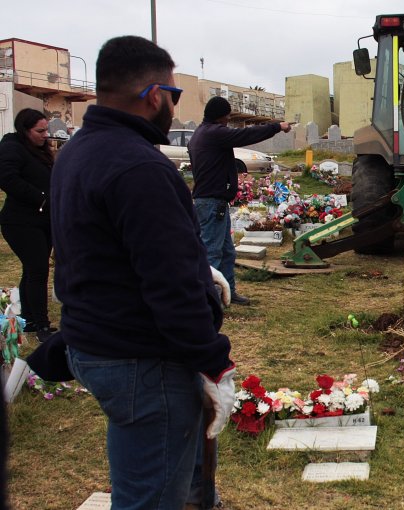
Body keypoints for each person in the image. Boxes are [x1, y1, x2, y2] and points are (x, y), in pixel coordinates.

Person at [50, 35, 235, 509]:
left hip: (98, 342)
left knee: (160, 467)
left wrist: (200, 271)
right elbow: (168, 285)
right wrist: (214, 361)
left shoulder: (78, 150)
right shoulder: (139, 167)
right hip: (142, 357)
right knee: (149, 498)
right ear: (154, 95)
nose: (172, 105)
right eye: (173, 95)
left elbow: (101, 247)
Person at [190, 97, 291, 306]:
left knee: (227, 251)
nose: (228, 119)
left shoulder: (200, 134)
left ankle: (229, 292)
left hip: (212, 202)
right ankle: (208, 301)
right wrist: (276, 127)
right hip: (211, 203)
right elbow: (246, 134)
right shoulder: (214, 133)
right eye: (226, 115)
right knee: (212, 252)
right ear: (219, 115)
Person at [0, 108, 55, 342]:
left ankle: (30, 319)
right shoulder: (12, 148)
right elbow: (8, 179)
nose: (45, 135)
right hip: (21, 222)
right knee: (37, 270)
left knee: (32, 269)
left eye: (46, 130)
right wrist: (41, 197)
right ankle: (42, 325)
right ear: (25, 130)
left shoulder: (39, 151)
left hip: (42, 220)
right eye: (39, 131)